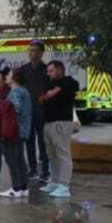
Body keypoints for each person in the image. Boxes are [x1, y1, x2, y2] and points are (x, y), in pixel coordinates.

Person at [37, 60, 79, 198]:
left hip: (61, 123)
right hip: (49, 122)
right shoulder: (49, 83)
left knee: (62, 154)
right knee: (52, 154)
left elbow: (73, 85)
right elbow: (42, 97)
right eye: (48, 71)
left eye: (51, 71)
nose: (48, 74)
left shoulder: (68, 82)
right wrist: (48, 94)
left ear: (59, 70)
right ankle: (54, 181)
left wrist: (56, 90)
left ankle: (64, 186)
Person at [13, 40, 51, 185]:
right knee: (29, 141)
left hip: (42, 112)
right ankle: (33, 170)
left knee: (43, 142)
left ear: (41, 53)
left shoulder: (47, 70)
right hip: (27, 112)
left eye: (34, 50)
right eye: (30, 50)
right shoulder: (23, 70)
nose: (31, 53)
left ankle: (45, 172)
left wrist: (44, 97)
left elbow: (50, 89)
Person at [0, 68, 32, 198]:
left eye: (9, 74)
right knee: (19, 159)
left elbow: (16, 108)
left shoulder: (15, 91)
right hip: (22, 130)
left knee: (12, 159)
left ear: (15, 78)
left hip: (14, 131)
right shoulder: (24, 90)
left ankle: (16, 188)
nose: (6, 76)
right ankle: (23, 187)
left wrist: (3, 106)